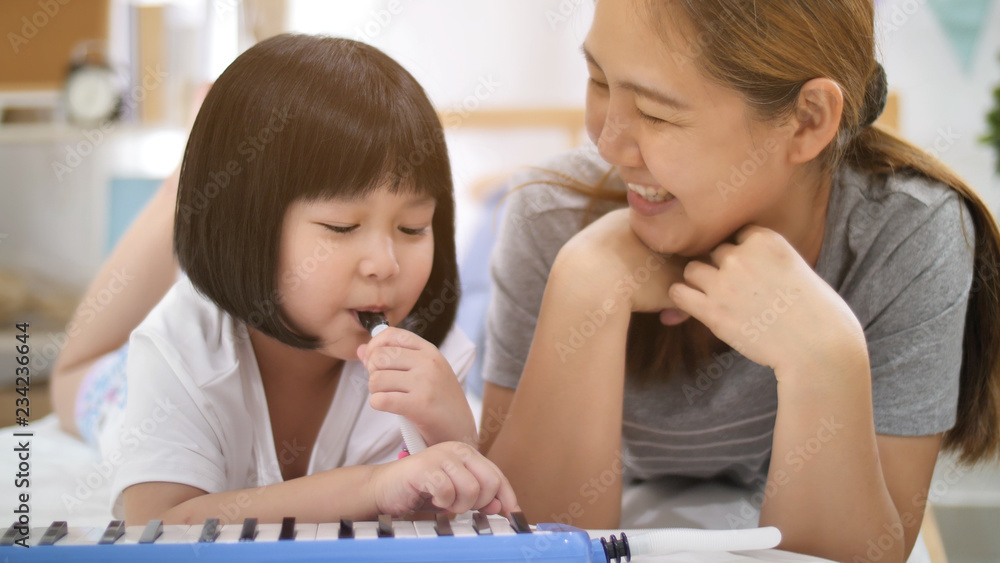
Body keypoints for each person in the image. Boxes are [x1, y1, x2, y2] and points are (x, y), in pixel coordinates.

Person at [480, 2, 1000, 562]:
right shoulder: (547, 217)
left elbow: (861, 555)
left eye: (656, 113)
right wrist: (585, 285)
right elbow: (527, 545)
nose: (607, 144)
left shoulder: (910, 234)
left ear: (806, 120)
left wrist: (824, 358)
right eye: (599, 80)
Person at [49, 34, 517, 525]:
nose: (385, 263)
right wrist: (370, 487)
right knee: (72, 378)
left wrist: (456, 436)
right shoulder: (178, 351)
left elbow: (438, 512)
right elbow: (158, 523)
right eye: (342, 227)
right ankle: (185, 179)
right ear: (248, 225)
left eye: (412, 228)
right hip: (124, 385)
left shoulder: (427, 364)